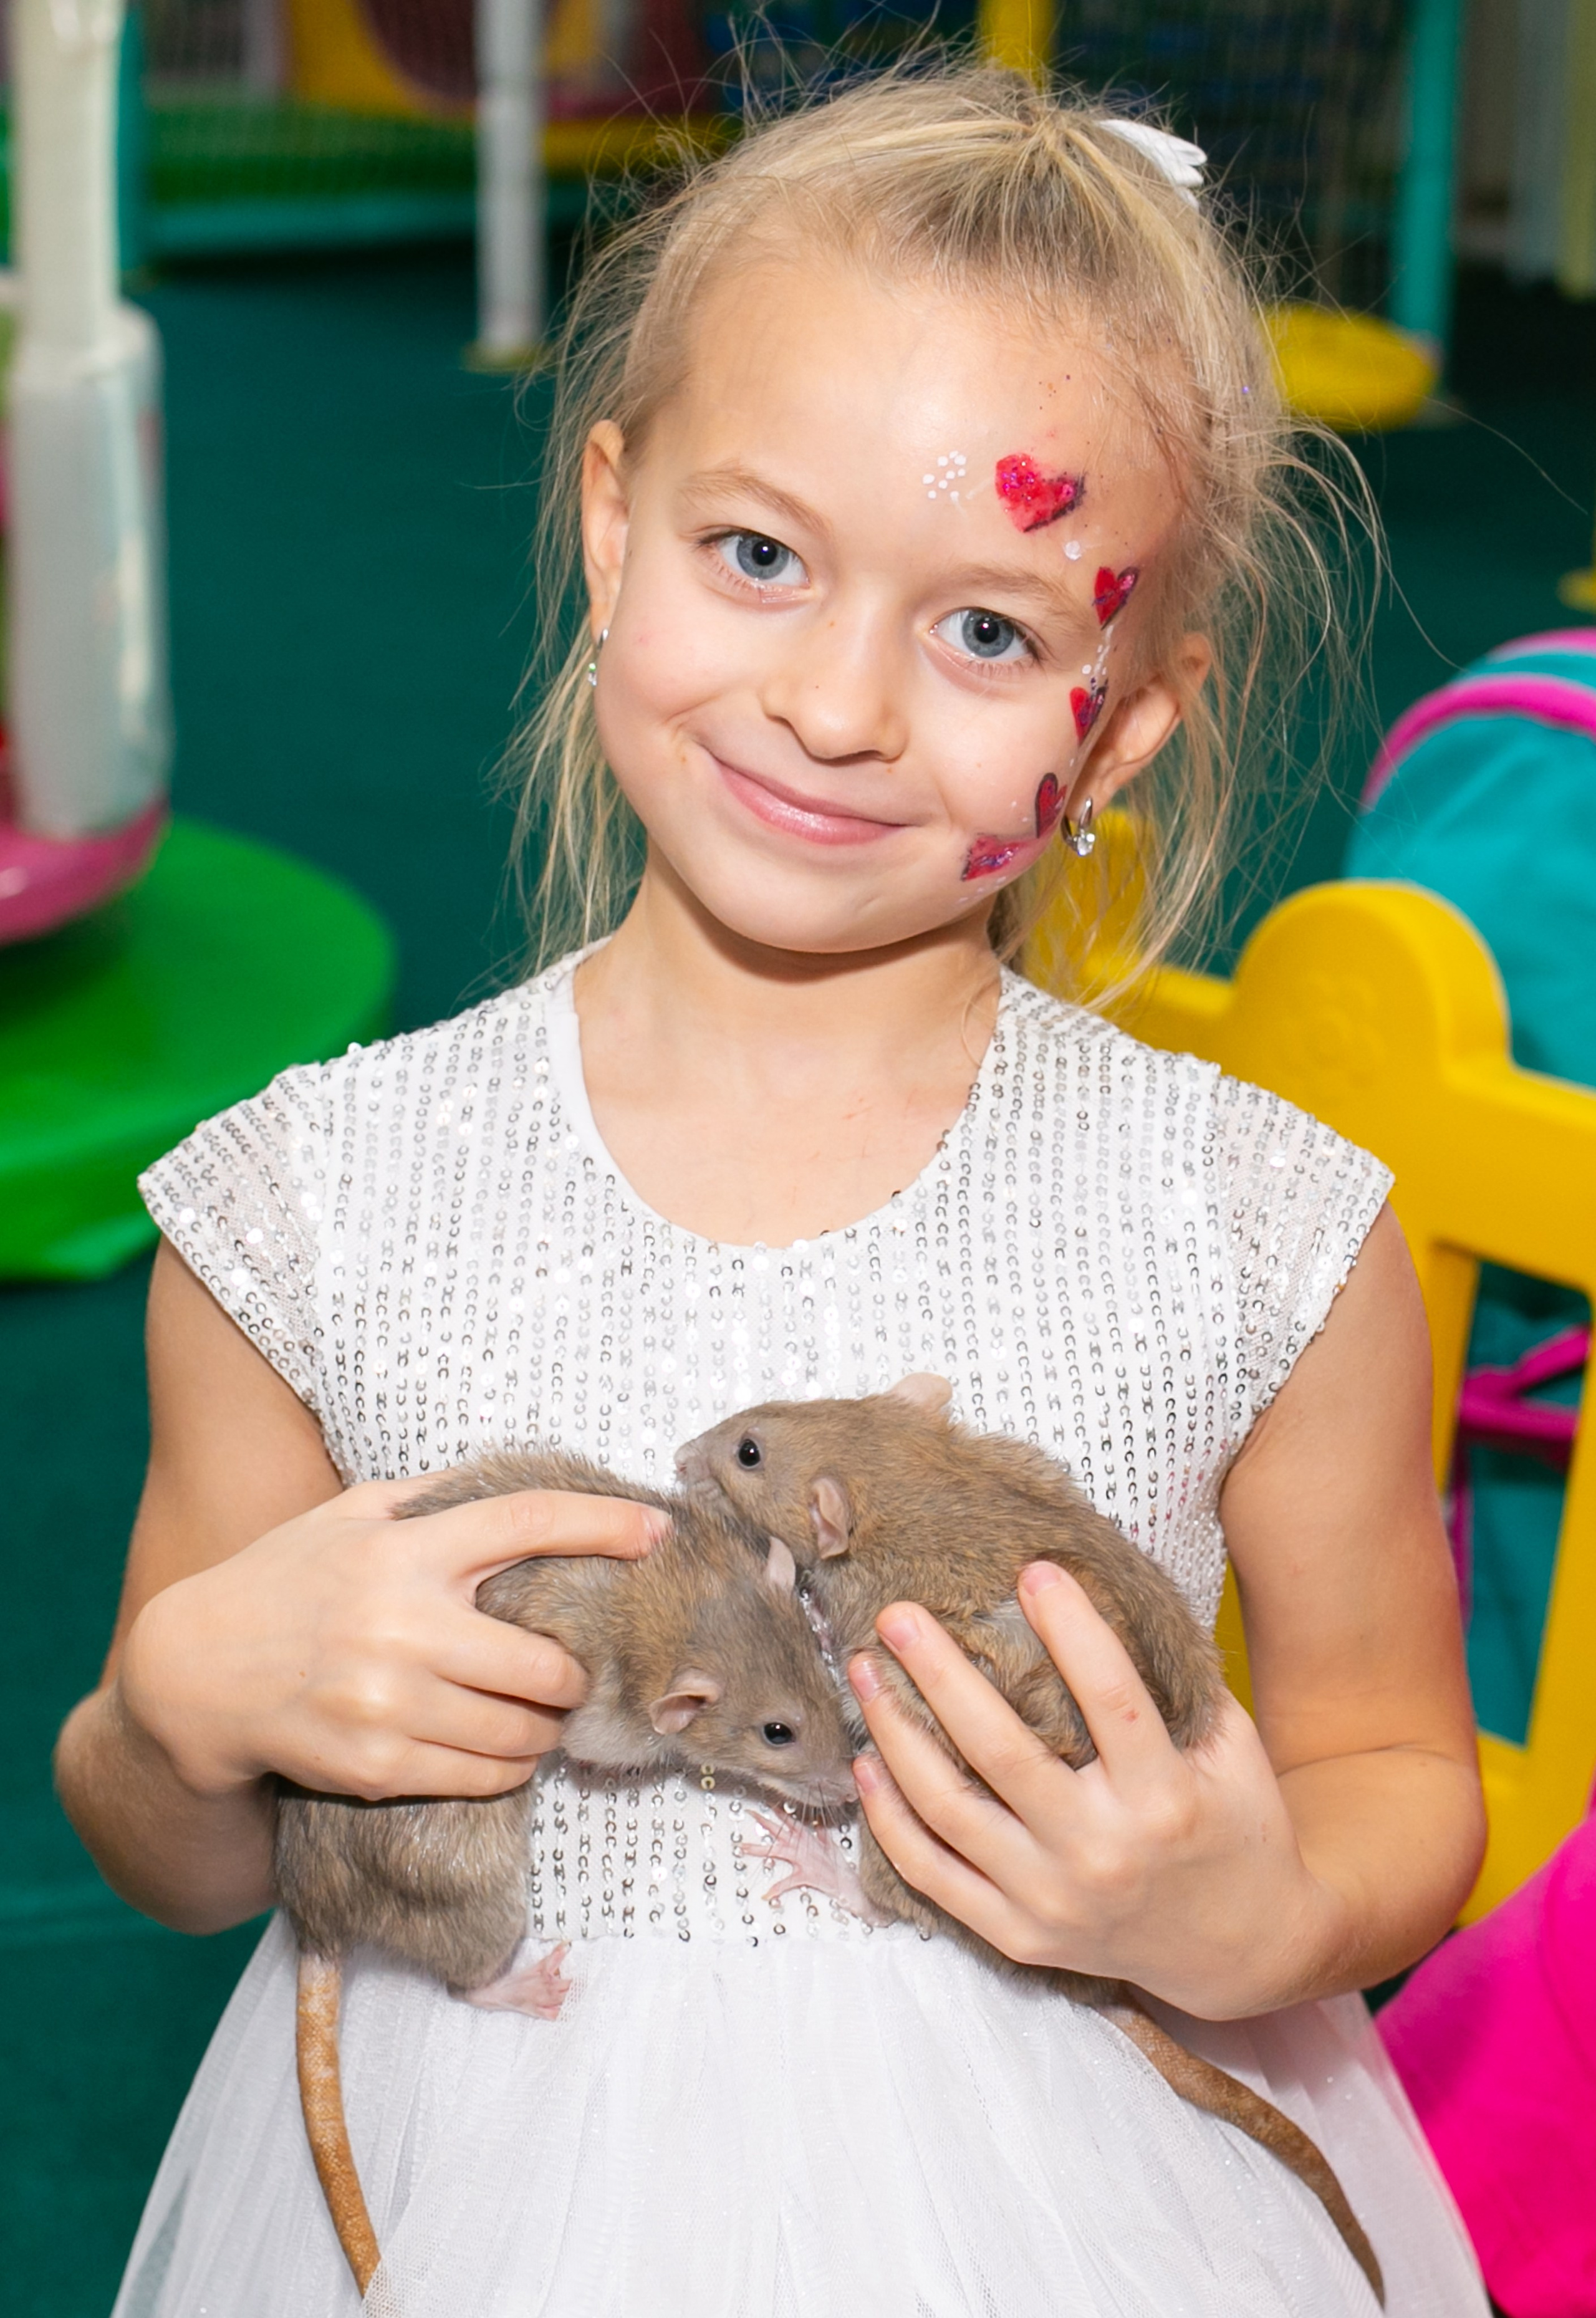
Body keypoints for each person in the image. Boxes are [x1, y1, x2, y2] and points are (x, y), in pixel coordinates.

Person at [60, 63, 1488, 2317]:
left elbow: (1396, 1754)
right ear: (612, 521)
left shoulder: (1260, 1232)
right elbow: (173, 1848)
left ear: (1120, 729)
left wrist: (1277, 1919)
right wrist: (171, 1711)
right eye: (761, 556)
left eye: (992, 632)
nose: (835, 705)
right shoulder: (309, 1211)